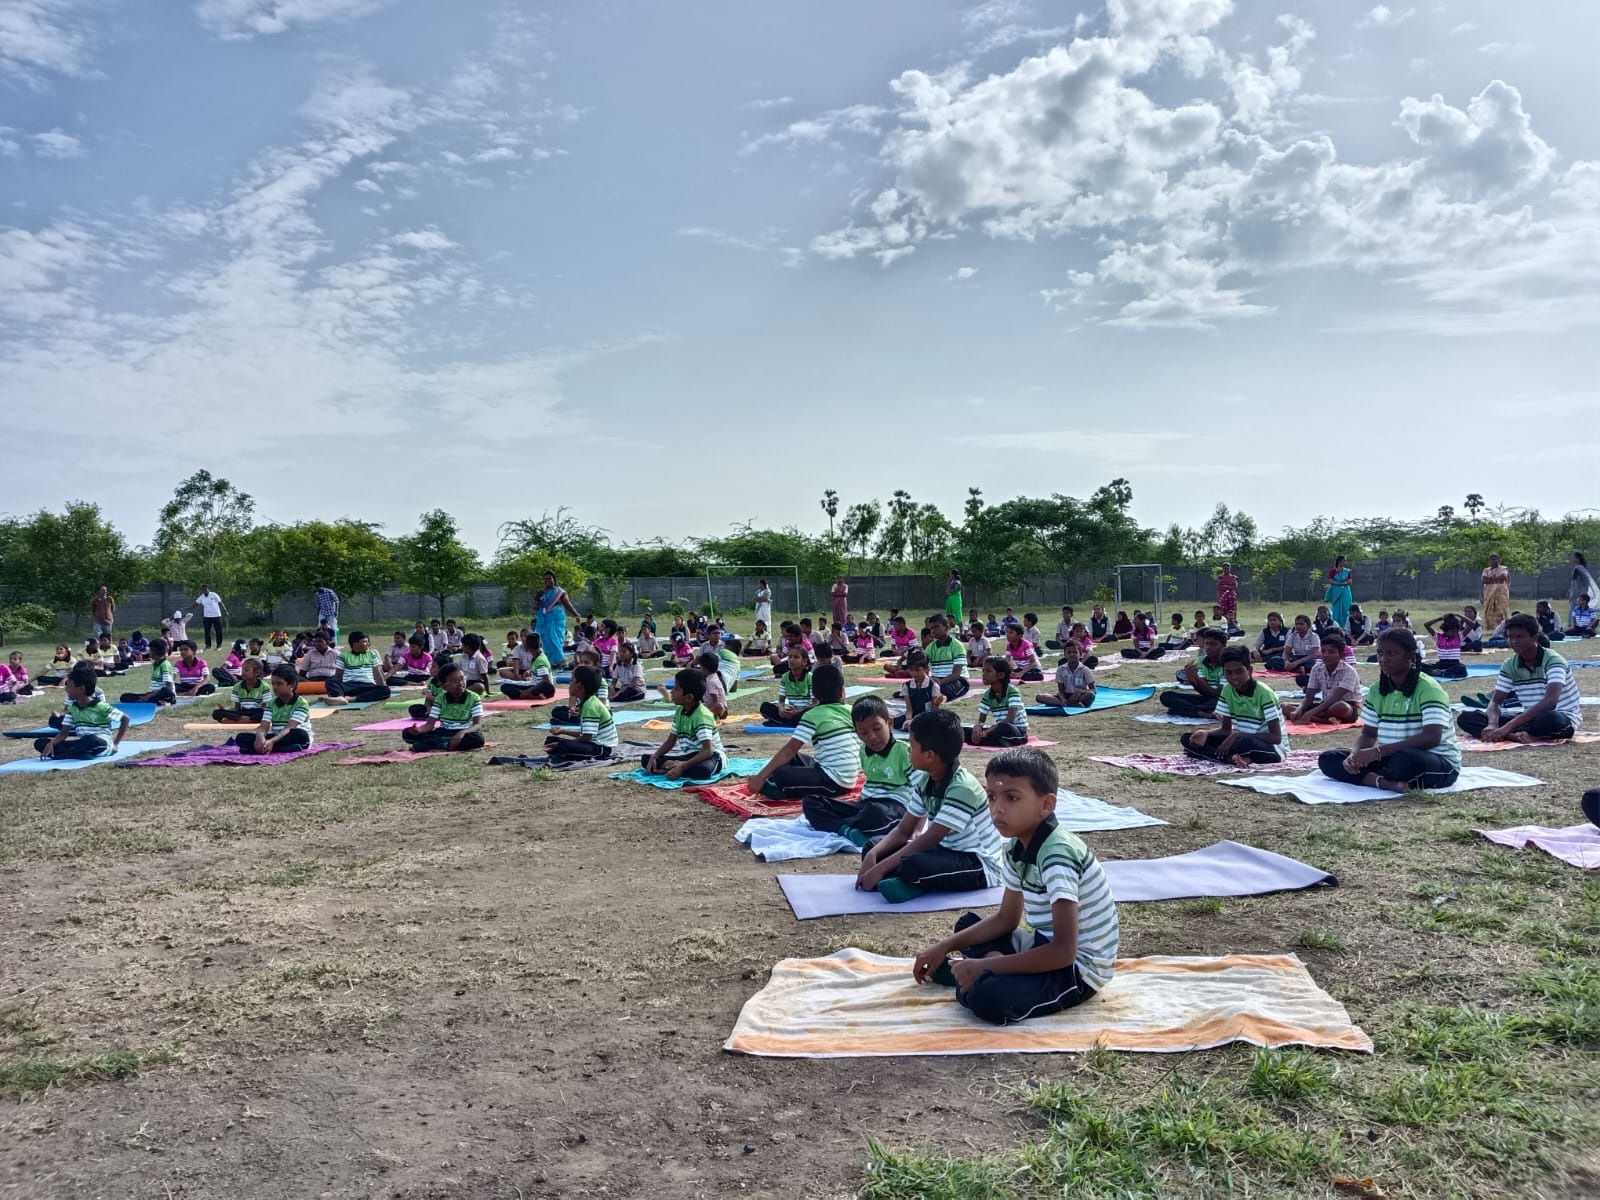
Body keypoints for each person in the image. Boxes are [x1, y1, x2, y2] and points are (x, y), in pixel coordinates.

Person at [913, 749, 1117, 1026]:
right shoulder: (1015, 849)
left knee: (988, 998)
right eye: (992, 797)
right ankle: (980, 971)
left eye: (1012, 798)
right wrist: (942, 946)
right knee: (967, 925)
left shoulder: (1058, 855)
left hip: (1077, 970)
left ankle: (980, 974)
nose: (998, 808)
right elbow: (1006, 919)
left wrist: (985, 965)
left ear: (1046, 805)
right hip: (1045, 945)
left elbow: (1064, 952)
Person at [855, 709, 1003, 903]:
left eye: (912, 745)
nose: (908, 750)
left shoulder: (963, 788)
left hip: (978, 863)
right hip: (944, 851)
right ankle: (905, 880)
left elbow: (930, 840)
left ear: (929, 755)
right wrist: (873, 856)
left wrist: (881, 868)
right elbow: (903, 830)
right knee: (873, 846)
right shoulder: (926, 780)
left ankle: (911, 882)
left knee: (914, 864)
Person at [1318, 629, 1460, 793]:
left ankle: (1375, 776)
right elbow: (1368, 734)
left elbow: (1431, 738)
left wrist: (1377, 752)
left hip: (1435, 761)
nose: (1384, 659)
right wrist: (1355, 756)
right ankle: (1384, 782)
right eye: (1380, 653)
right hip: (1390, 757)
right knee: (1329, 758)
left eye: (1392, 653)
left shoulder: (1428, 688)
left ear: (1410, 656)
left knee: (1406, 760)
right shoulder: (1376, 690)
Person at [801, 696, 914, 845]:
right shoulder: (863, 751)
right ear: (857, 732)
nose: (872, 737)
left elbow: (922, 791)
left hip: (894, 808)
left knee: (875, 814)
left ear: (890, 723)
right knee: (811, 802)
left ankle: (841, 823)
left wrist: (917, 827)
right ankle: (847, 830)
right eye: (863, 732)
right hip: (866, 805)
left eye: (877, 728)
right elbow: (869, 785)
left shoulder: (904, 752)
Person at [1456, 614, 1581, 744]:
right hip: (1528, 719)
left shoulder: (1553, 661)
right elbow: (1495, 702)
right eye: (1510, 637)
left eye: (1520, 637)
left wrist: (1507, 727)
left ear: (1535, 637)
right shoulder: (1510, 664)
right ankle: (1516, 735)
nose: (1514, 641)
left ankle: (1517, 733)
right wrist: (1493, 724)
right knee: (1467, 717)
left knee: (1550, 719)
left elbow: (1550, 702)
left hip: (1559, 718)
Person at [745, 664, 861, 800]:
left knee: (781, 773)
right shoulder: (852, 710)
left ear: (815, 695)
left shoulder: (813, 715)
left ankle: (778, 791)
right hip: (846, 774)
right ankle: (771, 780)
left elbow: (790, 749)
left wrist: (761, 776)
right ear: (842, 692)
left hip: (835, 782)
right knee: (794, 758)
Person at [1181, 647, 1288, 765]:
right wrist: (1206, 732)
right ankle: (1236, 758)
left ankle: (1220, 756)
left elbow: (1276, 737)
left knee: (1244, 742)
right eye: (1228, 672)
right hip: (1239, 741)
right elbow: (1226, 730)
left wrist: (1237, 735)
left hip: (1270, 747)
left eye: (1239, 671)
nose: (1234, 677)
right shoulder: (1227, 690)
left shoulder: (1265, 693)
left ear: (1249, 671)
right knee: (1188, 738)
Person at [640, 668, 726, 781]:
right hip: (691, 756)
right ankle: (675, 767)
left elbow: (707, 751)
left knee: (703, 770)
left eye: (676, 689)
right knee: (646, 759)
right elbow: (670, 741)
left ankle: (673, 768)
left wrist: (683, 766)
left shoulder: (702, 716)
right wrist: (655, 756)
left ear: (688, 697)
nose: (672, 692)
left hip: (712, 756)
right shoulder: (680, 711)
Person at [34, 664, 130, 760]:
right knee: (40, 743)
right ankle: (76, 753)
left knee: (90, 739)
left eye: (69, 686)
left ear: (81, 689)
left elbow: (125, 719)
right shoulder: (72, 708)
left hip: (101, 744)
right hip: (83, 743)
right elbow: (63, 734)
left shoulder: (101, 707)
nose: (66, 689)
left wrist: (115, 744)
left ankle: (67, 754)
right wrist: (51, 743)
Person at [535, 664, 614, 762]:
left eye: (571, 680)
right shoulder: (587, 703)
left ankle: (564, 755)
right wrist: (563, 731)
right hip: (594, 744)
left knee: (562, 745)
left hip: (600, 750)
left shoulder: (590, 706)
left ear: (579, 686)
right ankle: (564, 754)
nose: (569, 684)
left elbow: (587, 738)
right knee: (551, 741)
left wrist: (561, 744)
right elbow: (586, 734)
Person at [239, 665, 314, 755]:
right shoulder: (271, 703)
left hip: (291, 736)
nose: (275, 687)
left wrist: (271, 741)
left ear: (292, 685)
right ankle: (280, 748)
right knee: (241, 737)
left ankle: (267, 748)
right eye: (273, 683)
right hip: (276, 736)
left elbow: (289, 728)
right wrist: (260, 737)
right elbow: (264, 726)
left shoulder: (301, 703)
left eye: (279, 684)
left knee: (300, 734)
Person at [1288, 634, 1361, 725]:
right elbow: (1309, 697)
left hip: (1346, 706)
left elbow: (1335, 698)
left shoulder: (1349, 671)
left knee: (1341, 706)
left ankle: (1314, 717)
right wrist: (1299, 709)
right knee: (1285, 706)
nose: (1326, 655)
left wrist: (1310, 713)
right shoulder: (1317, 668)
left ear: (1342, 655)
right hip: (1324, 705)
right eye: (1323, 651)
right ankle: (1325, 719)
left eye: (1331, 652)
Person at [1159, 628, 1227, 718]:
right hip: (1205, 698)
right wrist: (1192, 680)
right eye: (1207, 643)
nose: (1208, 647)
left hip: (1220, 699)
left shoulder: (1227, 664)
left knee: (1220, 702)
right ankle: (1201, 712)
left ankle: (1187, 710)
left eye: (1213, 644)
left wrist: (1196, 678)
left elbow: (1216, 694)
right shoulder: (1201, 661)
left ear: (1223, 647)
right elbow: (1203, 691)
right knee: (1166, 696)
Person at [967, 656, 1029, 747]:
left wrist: (989, 731)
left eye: (988, 671)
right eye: (983, 670)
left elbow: (1009, 720)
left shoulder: (1012, 691)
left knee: (1005, 727)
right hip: (998, 729)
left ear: (1001, 675)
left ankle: (992, 740)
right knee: (968, 730)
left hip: (1017, 731)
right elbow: (981, 720)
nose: (983, 674)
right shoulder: (987, 695)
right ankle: (996, 741)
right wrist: (978, 727)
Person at [326, 631, 392, 703]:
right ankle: (339, 697)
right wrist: (337, 688)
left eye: (367, 641)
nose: (368, 644)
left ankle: (350, 699)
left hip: (367, 686)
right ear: (355, 644)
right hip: (349, 686)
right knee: (330, 681)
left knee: (385, 690)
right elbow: (338, 677)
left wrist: (381, 687)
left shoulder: (371, 654)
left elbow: (377, 675)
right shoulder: (343, 656)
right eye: (364, 642)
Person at [536, 571, 582, 670]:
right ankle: (550, 661)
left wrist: (576, 614)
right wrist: (539, 604)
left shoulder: (560, 592)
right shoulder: (540, 593)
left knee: (556, 638)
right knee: (545, 639)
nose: (547, 580)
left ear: (554, 580)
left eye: (549, 578)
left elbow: (567, 604)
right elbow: (535, 606)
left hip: (557, 618)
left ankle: (561, 660)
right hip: (543, 619)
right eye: (545, 579)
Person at [759, 645, 813, 727]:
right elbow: (781, 700)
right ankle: (789, 722)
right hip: (790, 711)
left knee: (813, 712)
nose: (791, 660)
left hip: (804, 712)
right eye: (790, 657)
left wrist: (797, 712)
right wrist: (781, 709)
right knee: (765, 707)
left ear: (804, 661)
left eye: (796, 657)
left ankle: (782, 722)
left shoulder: (810, 678)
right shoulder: (785, 677)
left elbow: (815, 702)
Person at [1038, 640, 1096, 710]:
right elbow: (1060, 690)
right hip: (1065, 695)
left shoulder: (1085, 670)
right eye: (1069, 652)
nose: (1072, 654)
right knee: (1039, 697)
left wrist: (1080, 692)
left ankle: (1069, 703)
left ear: (1080, 654)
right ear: (1065, 655)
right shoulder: (1060, 669)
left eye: (1075, 652)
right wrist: (1063, 699)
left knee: (1091, 695)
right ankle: (1069, 704)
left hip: (1080, 696)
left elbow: (1093, 690)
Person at [212, 658, 271, 725]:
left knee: (266, 713)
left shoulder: (264, 686)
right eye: (242, 670)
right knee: (216, 713)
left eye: (246, 670)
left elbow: (265, 707)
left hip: (257, 711)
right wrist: (226, 710)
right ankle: (246, 719)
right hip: (242, 712)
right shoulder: (237, 686)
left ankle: (244, 720)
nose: (243, 672)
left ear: (256, 672)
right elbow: (237, 708)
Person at [926, 614, 970, 700]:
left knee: (944, 690)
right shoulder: (930, 648)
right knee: (912, 687)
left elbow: (956, 674)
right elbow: (925, 669)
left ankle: (938, 698)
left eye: (936, 627)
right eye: (931, 628)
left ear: (946, 627)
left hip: (957, 680)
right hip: (937, 680)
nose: (933, 631)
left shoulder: (957, 646)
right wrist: (931, 679)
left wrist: (939, 682)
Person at [499, 632, 555, 700]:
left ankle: (530, 696)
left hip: (541, 688)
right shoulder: (539, 656)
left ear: (528, 647)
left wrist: (528, 690)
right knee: (508, 684)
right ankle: (529, 694)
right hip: (538, 685)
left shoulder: (540, 660)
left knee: (505, 686)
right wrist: (529, 672)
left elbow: (546, 681)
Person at [119, 639, 175, 704]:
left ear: (155, 652)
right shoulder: (155, 664)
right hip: (153, 694)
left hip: (163, 694)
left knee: (166, 691)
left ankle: (158, 700)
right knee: (125, 697)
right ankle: (152, 701)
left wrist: (149, 696)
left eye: (150, 650)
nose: (149, 652)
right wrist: (148, 695)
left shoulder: (165, 665)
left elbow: (168, 687)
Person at [1421, 614, 1468, 678]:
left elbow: (1472, 624)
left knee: (1462, 667)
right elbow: (1426, 625)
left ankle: (1442, 672)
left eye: (1457, 631)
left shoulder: (1459, 637)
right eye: (1452, 631)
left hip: (1454, 664)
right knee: (1420, 665)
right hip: (1441, 664)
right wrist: (1439, 618)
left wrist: (1459, 616)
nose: (1455, 633)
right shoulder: (1438, 636)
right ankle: (1440, 672)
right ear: (1445, 630)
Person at [1283, 615, 1321, 682]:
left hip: (1308, 659)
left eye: (1301, 624)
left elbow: (1313, 654)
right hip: (1296, 657)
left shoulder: (1314, 636)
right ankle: (1298, 669)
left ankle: (1298, 668)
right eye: (1297, 624)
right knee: (1274, 660)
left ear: (1308, 626)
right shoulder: (1292, 636)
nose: (1298, 626)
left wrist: (1296, 663)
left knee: (1315, 664)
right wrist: (1286, 661)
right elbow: (1286, 652)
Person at [1480, 554, 1511, 635]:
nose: (1493, 561)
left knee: (1501, 610)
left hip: (1501, 593)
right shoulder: (1486, 570)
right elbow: (1483, 580)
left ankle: (1503, 627)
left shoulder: (1503, 568)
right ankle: (1490, 627)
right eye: (1492, 559)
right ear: (1489, 561)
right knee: (1489, 610)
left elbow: (1503, 577)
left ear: (1499, 560)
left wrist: (1490, 579)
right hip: (1489, 593)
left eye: (1495, 559)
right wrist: (1496, 580)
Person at [1570, 552, 1599, 630]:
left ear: (1577, 558)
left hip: (1578, 593)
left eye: (1573, 557)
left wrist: (1576, 593)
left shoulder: (1578, 568)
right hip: (1581, 593)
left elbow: (1578, 580)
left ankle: (1575, 626)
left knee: (1575, 610)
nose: (1572, 558)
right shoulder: (1582, 567)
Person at [1324, 555, 1353, 629]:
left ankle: (1346, 627)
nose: (1345, 562)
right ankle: (1336, 627)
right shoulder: (1333, 571)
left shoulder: (1347, 571)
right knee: (1336, 609)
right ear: (1339, 561)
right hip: (1336, 592)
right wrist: (1340, 583)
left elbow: (1350, 581)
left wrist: (1343, 584)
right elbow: (1330, 581)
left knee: (1346, 608)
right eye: (1344, 560)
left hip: (1345, 591)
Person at [1215, 562, 1239, 627]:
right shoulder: (1220, 577)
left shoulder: (1233, 577)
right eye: (1225, 568)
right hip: (1222, 597)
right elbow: (1218, 586)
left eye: (1227, 568)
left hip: (1231, 597)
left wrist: (1227, 587)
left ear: (1230, 569)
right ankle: (1223, 623)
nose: (1226, 569)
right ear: (1222, 569)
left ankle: (1233, 623)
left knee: (1232, 609)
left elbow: (1235, 586)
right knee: (1222, 609)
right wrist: (1227, 587)